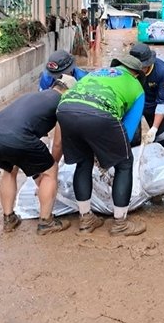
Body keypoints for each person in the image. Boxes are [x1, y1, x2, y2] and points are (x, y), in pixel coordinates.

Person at [56, 54, 147, 236]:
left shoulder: (96, 73)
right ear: (137, 73)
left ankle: (86, 219)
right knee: (125, 162)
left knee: (83, 162)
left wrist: (98, 150)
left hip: (65, 109)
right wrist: (111, 154)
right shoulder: (137, 87)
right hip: (100, 113)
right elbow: (127, 131)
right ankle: (120, 224)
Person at [0, 75, 77, 234]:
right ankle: (46, 222)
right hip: (17, 137)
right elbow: (58, 143)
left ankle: (9, 219)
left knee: (9, 170)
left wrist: (36, 170)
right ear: (71, 92)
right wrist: (48, 168)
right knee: (50, 171)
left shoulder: (35, 96)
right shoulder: (63, 103)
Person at [129, 42, 164, 149]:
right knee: (132, 139)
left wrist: (154, 128)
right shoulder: (128, 70)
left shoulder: (162, 71)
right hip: (134, 106)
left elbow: (162, 102)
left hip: (153, 106)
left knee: (161, 138)